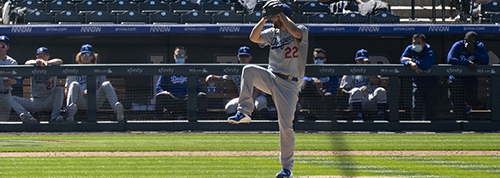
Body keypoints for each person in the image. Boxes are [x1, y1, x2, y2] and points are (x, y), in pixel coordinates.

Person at [227, 1, 308, 177]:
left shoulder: (301, 29)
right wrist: (263, 18)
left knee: (286, 126)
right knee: (248, 70)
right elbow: (254, 38)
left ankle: (287, 168)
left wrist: (281, 14)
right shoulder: (273, 32)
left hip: (290, 83)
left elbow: (295, 32)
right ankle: (245, 112)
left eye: (275, 17)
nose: (273, 19)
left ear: (284, 16)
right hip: (271, 77)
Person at [64, 44, 124, 122]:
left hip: (95, 101)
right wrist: (82, 92)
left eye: (88, 54)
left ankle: (118, 111)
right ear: (80, 56)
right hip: (79, 102)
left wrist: (92, 92)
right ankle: (70, 113)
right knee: (74, 84)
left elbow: (104, 88)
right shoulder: (73, 70)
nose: (86, 56)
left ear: (93, 56)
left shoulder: (99, 70)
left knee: (107, 84)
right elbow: (66, 91)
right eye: (83, 54)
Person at [205, 46, 269, 118]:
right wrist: (212, 76)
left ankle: (267, 127)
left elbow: (258, 90)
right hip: (243, 98)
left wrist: (250, 100)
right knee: (230, 107)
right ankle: (235, 128)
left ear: (250, 57)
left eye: (246, 56)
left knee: (260, 104)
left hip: (257, 97)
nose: (244, 58)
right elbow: (223, 78)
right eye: (242, 56)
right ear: (238, 57)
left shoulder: (254, 69)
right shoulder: (234, 70)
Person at [9, 47, 64, 122]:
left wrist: (48, 63)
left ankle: (54, 117)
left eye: (44, 55)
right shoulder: (33, 66)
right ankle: (29, 118)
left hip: (49, 100)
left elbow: (60, 61)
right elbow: (27, 62)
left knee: (59, 90)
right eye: (40, 56)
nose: (42, 57)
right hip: (35, 101)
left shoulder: (52, 65)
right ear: (37, 57)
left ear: (48, 56)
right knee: (11, 98)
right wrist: (37, 62)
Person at [155, 46, 207, 120]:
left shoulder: (191, 70)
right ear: (174, 57)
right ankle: (158, 125)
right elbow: (158, 87)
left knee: (202, 96)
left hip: (188, 99)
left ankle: (203, 125)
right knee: (160, 96)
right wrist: (164, 92)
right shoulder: (168, 70)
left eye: (182, 55)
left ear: (186, 57)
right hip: (172, 99)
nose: (180, 57)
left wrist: (192, 95)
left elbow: (198, 89)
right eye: (177, 55)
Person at [447, 31, 489, 119]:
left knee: (472, 100)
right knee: (457, 105)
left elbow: (486, 61)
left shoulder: (479, 46)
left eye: (472, 41)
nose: (469, 43)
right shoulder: (458, 45)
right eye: (467, 41)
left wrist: (474, 52)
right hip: (456, 79)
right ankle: (459, 127)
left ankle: (467, 107)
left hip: (470, 79)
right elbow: (450, 59)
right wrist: (466, 63)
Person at [339, 49, 387, 120]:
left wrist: (368, 70)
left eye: (364, 60)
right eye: (360, 60)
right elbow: (343, 91)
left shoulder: (373, 70)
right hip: (356, 101)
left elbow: (377, 82)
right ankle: (358, 118)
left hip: (371, 99)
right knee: (356, 91)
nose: (362, 62)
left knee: (381, 91)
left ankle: (381, 119)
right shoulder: (349, 72)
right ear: (356, 60)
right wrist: (356, 91)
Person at [400, 33, 439, 120]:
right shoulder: (410, 49)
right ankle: (416, 129)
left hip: (431, 83)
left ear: (423, 44)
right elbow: (402, 59)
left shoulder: (429, 52)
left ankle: (431, 130)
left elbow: (425, 65)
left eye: (418, 43)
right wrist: (409, 62)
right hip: (418, 83)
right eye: (414, 43)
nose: (415, 45)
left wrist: (412, 60)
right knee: (416, 108)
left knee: (431, 108)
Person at [299, 48, 338, 120]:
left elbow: (334, 86)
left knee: (328, 95)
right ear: (313, 59)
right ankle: (298, 110)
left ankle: (329, 122)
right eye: (316, 58)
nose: (318, 60)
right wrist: (312, 79)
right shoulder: (310, 70)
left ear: (325, 60)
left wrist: (324, 91)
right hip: (312, 100)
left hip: (325, 99)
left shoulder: (331, 70)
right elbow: (303, 78)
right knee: (304, 84)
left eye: (321, 58)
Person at [0, 35, 20, 121]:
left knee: (3, 123)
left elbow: (18, 80)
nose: (0, 48)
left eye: (3, 46)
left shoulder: (12, 62)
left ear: (7, 47)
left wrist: (14, 81)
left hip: (6, 94)